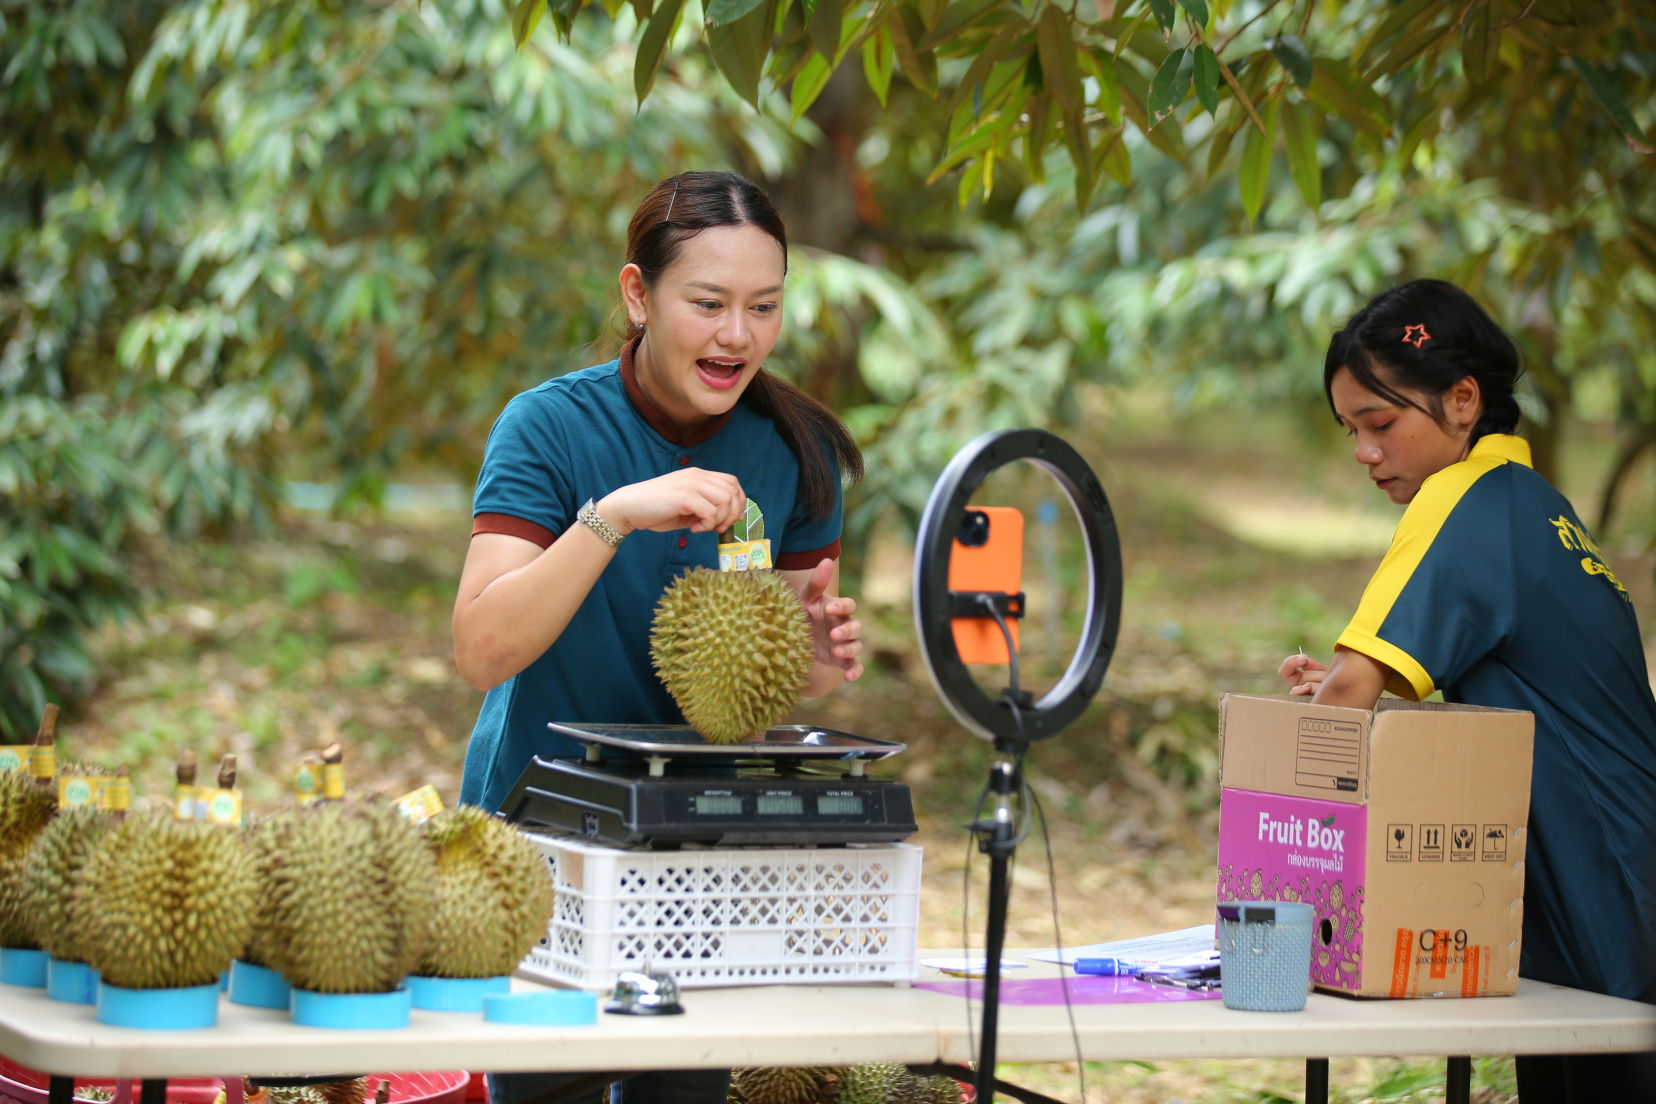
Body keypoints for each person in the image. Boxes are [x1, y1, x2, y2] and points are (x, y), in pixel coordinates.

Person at [452, 170, 866, 1104]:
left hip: (698, 846)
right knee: (546, 1089)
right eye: (708, 303)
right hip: (540, 829)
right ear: (638, 295)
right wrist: (611, 518)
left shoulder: (793, 451)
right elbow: (482, 649)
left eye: (764, 306)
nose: (738, 335)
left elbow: (766, 676)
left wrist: (816, 653)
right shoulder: (550, 427)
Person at [1277, 279, 1656, 1102]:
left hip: (1600, 880)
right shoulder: (1533, 501)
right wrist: (1347, 687)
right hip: (1610, 862)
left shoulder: (1463, 499)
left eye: (1380, 424)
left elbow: (1347, 700)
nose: (1363, 453)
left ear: (1461, 400)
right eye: (1350, 431)